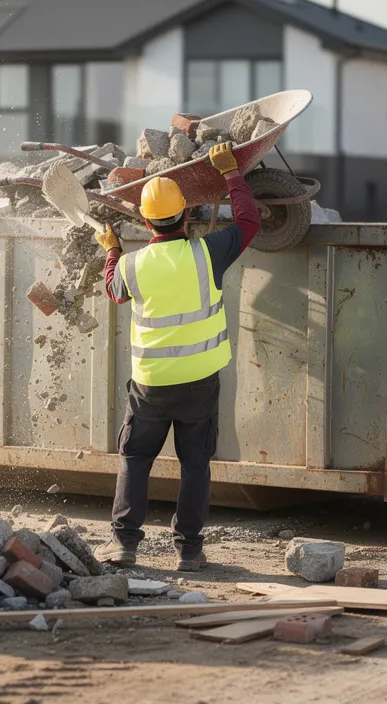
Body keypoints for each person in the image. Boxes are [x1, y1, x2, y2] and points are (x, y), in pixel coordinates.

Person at [93, 142, 260, 572]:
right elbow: (249, 221)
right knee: (195, 464)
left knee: (135, 459)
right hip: (199, 382)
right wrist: (231, 173)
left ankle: (125, 545)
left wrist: (111, 249)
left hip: (150, 385)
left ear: (147, 221)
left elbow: (114, 289)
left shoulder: (132, 265)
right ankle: (189, 551)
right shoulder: (208, 253)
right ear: (186, 216)